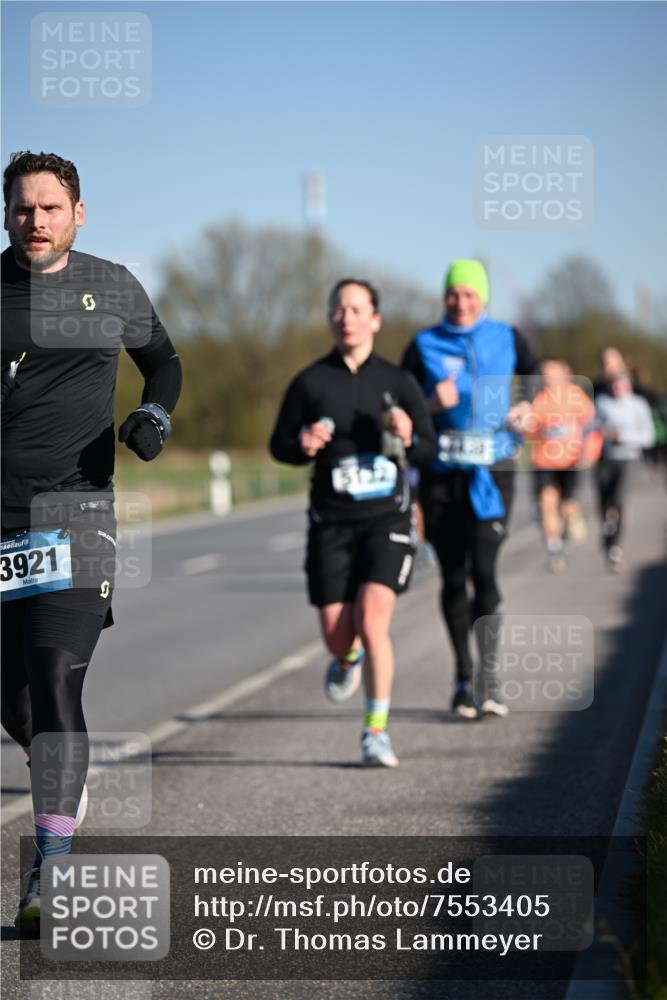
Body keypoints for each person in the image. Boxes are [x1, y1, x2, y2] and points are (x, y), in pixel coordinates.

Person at [1, 151, 182, 934]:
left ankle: (52, 869)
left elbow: (164, 363)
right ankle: (65, 785)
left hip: (75, 514)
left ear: (78, 212)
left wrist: (154, 417)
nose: (33, 221)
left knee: (54, 674)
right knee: (19, 702)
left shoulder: (110, 286)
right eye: (20, 209)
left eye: (48, 207)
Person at [269, 279, 435, 767]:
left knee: (373, 620)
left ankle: (376, 731)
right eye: (338, 309)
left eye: (357, 309)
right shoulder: (310, 382)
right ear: (330, 319)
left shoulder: (399, 382)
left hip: (388, 519)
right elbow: (278, 446)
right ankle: (348, 658)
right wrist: (303, 441)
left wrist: (408, 434)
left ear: (375, 320)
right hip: (332, 523)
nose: (347, 317)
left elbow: (428, 447)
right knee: (338, 634)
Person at [402, 260, 537, 719]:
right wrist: (429, 404)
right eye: (453, 294)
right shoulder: (422, 344)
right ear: (444, 298)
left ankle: (490, 679)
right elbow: (398, 409)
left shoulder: (509, 337)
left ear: (483, 297)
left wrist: (526, 409)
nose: (460, 302)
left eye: (469, 294)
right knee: (453, 575)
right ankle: (463, 677)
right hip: (442, 476)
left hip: (492, 473)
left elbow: (536, 386)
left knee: (486, 571)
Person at [526, 359, 600, 574]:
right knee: (546, 504)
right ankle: (554, 549)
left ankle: (572, 517)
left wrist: (589, 452)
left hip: (570, 459)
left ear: (566, 374)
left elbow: (591, 427)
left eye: (553, 374)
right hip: (544, 461)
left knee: (566, 505)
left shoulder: (577, 397)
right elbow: (531, 429)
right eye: (545, 375)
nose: (549, 379)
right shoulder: (539, 399)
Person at [595, 372, 655, 571]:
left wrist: (623, 436)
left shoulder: (638, 405)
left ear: (629, 386)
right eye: (613, 385)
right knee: (604, 501)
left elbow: (648, 437)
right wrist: (601, 432)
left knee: (618, 501)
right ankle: (607, 535)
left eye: (621, 385)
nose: (616, 389)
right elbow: (590, 426)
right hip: (605, 458)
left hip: (627, 459)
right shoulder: (602, 403)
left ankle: (615, 546)